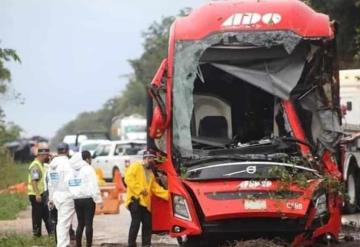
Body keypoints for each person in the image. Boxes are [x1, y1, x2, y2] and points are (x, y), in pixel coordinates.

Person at [125, 150, 169, 247]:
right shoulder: (136, 166)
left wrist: (169, 195)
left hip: (145, 203)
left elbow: (155, 188)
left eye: (153, 158)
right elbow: (128, 178)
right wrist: (140, 190)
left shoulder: (150, 173)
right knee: (135, 223)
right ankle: (131, 244)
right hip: (135, 200)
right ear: (145, 158)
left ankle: (146, 244)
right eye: (150, 158)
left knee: (147, 224)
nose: (152, 160)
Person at [68, 151, 102, 247]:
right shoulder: (88, 169)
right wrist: (98, 200)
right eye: (90, 158)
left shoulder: (72, 170)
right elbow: (94, 185)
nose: (91, 160)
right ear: (87, 159)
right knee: (88, 223)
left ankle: (78, 245)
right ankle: (88, 245)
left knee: (80, 223)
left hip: (77, 199)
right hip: (88, 199)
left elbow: (70, 183)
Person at [47, 142, 76, 247]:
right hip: (67, 195)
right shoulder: (69, 164)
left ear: (58, 151)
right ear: (67, 151)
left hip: (56, 195)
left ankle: (64, 243)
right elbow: (71, 182)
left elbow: (50, 183)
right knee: (64, 223)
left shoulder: (52, 165)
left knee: (62, 221)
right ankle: (62, 245)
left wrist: (50, 198)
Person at [27, 142, 53, 237]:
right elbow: (34, 181)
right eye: (46, 156)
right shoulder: (35, 166)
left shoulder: (41, 164)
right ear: (41, 155)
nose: (47, 157)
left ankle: (52, 233)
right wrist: (37, 194)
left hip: (41, 194)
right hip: (35, 195)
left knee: (46, 215)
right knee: (37, 216)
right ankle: (37, 235)